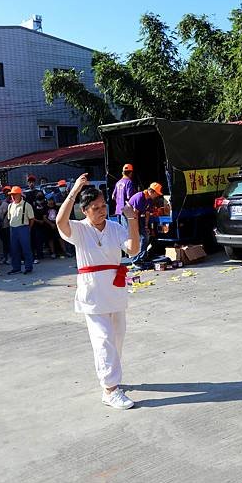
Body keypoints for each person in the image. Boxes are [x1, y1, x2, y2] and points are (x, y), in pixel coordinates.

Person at [56, 173, 140, 410]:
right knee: (102, 340)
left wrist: (132, 221)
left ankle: (112, 377)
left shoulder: (114, 228)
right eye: (96, 207)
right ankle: (110, 389)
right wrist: (74, 190)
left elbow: (133, 250)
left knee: (117, 339)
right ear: (85, 210)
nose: (102, 210)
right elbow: (60, 222)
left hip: (115, 290)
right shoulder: (79, 230)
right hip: (92, 294)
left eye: (104, 206)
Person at [128, 182, 163, 269]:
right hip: (129, 216)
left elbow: (147, 213)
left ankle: (142, 258)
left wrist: (146, 227)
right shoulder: (140, 197)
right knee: (138, 237)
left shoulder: (150, 200)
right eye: (157, 194)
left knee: (146, 236)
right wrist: (136, 228)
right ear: (152, 192)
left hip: (138, 217)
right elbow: (135, 214)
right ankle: (135, 260)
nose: (157, 196)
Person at [7, 186, 34, 275]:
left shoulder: (27, 205)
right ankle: (16, 268)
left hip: (23, 228)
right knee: (14, 249)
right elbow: (9, 218)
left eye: (14, 194)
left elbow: (32, 219)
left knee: (26, 249)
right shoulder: (10, 205)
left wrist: (28, 229)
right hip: (13, 229)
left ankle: (28, 267)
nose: (12, 196)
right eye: (11, 195)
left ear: (19, 194)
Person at [32, 191, 48, 263]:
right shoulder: (33, 204)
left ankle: (43, 253)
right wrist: (38, 221)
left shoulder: (45, 203)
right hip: (36, 224)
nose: (39, 195)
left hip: (45, 224)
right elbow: (31, 215)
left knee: (43, 239)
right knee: (37, 240)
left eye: (41, 194)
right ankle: (38, 254)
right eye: (38, 194)